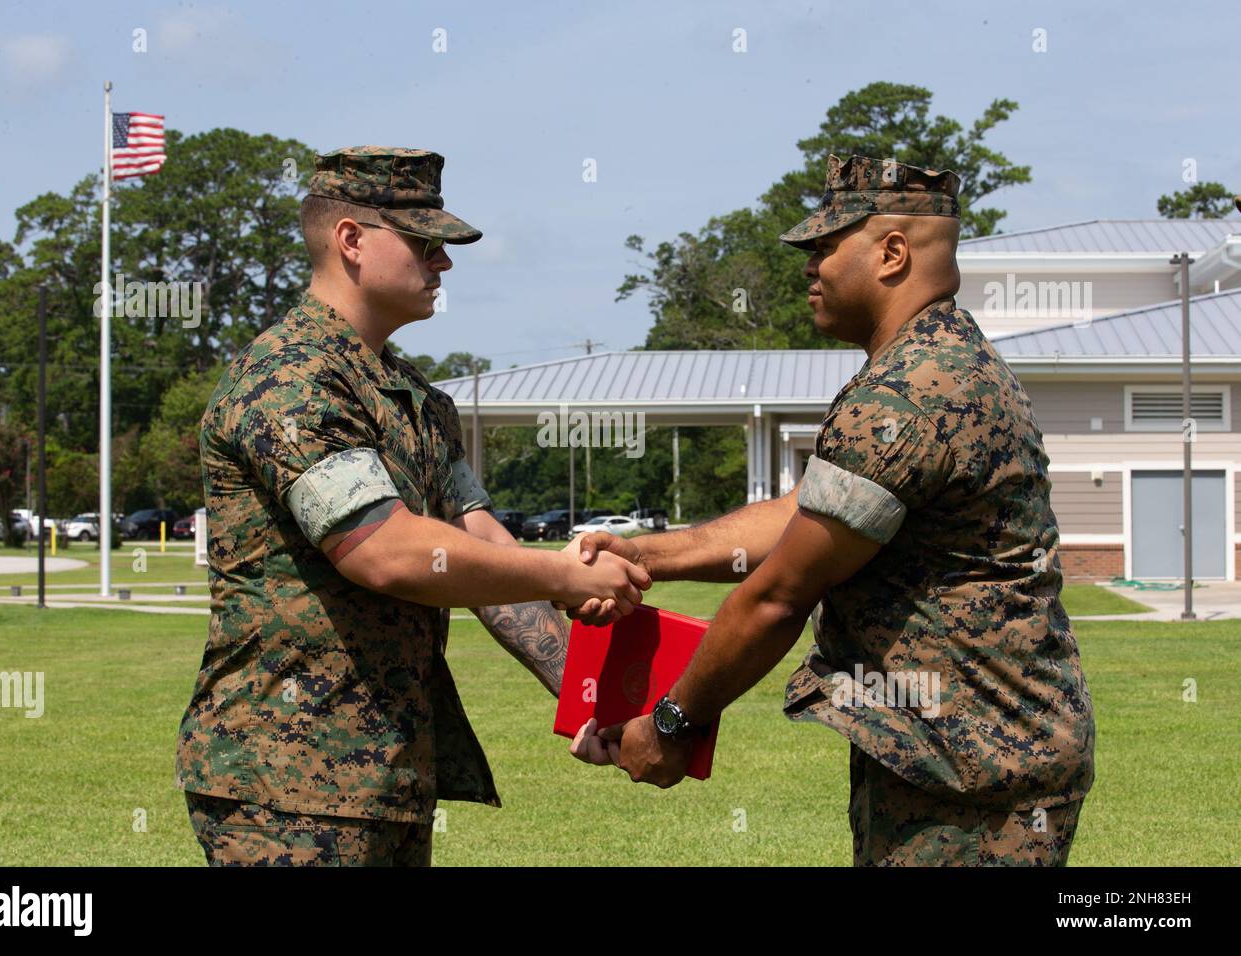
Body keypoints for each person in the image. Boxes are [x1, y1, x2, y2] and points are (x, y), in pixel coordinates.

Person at [569, 154, 1096, 867]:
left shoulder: (908, 394)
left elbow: (781, 594)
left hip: (969, 777)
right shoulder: (937, 362)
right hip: (971, 753)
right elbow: (809, 515)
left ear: (892, 253)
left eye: (825, 246)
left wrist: (670, 724)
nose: (809, 266)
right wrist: (649, 556)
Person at [176, 145, 649, 866]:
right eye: (425, 243)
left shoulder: (417, 399)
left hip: (389, 772)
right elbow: (386, 551)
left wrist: (587, 695)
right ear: (352, 241)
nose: (443, 263)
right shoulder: (289, 380)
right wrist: (565, 575)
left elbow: (489, 559)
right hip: (280, 785)